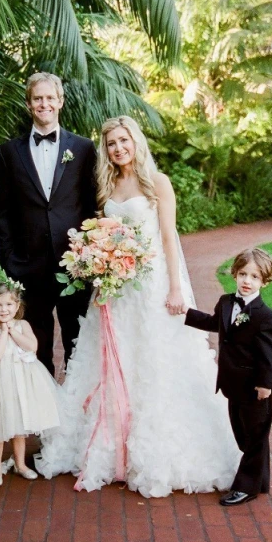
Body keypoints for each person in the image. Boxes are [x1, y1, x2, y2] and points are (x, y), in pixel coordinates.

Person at [35, 116, 240, 496]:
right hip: (114, 291)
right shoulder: (106, 184)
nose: (117, 148)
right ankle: (107, 444)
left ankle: (157, 452)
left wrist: (176, 289)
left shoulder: (157, 182)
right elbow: (100, 230)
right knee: (111, 361)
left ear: (135, 141)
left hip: (151, 286)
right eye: (111, 143)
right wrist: (98, 260)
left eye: (123, 140)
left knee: (153, 361)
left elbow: (168, 237)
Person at [0, 72, 97, 374]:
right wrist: (9, 261)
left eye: (50, 97)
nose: (44, 104)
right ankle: (45, 409)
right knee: (36, 344)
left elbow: (92, 205)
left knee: (77, 340)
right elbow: (3, 211)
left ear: (60, 101)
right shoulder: (9, 152)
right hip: (29, 266)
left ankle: (76, 409)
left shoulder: (83, 148)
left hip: (75, 265)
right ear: (28, 103)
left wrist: (89, 256)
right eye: (38, 98)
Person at [182, 247, 272, 506]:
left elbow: (269, 354)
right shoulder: (226, 302)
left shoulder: (265, 316)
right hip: (231, 384)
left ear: (265, 282)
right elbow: (217, 323)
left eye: (255, 277)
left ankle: (246, 487)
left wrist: (265, 385)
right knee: (242, 434)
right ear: (234, 274)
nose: (247, 281)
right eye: (243, 274)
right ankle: (261, 480)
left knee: (255, 437)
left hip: (254, 387)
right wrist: (187, 314)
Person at [0, 280, 60, 486]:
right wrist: (4, 333)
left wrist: (13, 331)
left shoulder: (23, 325)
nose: (4, 309)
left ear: (17, 306)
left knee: (19, 424)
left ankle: (20, 463)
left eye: (9, 304)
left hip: (21, 381)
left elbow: (32, 347)